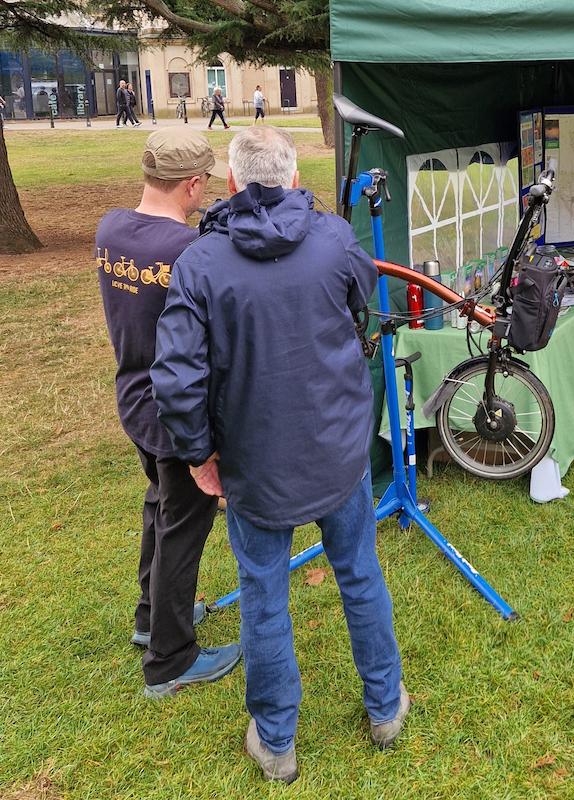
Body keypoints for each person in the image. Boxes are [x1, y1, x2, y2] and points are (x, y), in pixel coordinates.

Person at [151, 126, 407, 784]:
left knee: (275, 595)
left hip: (293, 458)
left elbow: (358, 307)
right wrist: (199, 454)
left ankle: (343, 719)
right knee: (348, 579)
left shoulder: (214, 260)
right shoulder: (234, 256)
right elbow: (178, 379)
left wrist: (198, 454)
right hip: (300, 455)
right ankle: (337, 722)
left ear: (234, 183)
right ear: (291, 180)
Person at [94, 129, 239, 699]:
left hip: (133, 396)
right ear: (194, 184)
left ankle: (149, 616)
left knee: (160, 503)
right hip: (177, 412)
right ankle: (171, 659)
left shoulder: (110, 229)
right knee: (184, 524)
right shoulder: (187, 251)